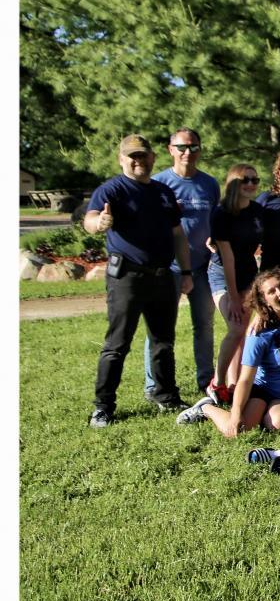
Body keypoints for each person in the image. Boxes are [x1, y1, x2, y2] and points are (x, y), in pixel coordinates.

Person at [85, 134, 192, 426]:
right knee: (117, 344)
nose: (139, 161)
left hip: (162, 276)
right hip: (127, 278)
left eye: (143, 155)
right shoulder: (112, 189)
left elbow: (178, 235)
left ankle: (166, 396)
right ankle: (103, 407)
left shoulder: (163, 192)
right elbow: (90, 218)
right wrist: (99, 223)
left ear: (153, 157)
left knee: (163, 342)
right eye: (132, 156)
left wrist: (185, 272)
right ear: (121, 159)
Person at [176, 269, 280, 435]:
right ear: (265, 301)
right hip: (262, 390)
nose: (279, 292)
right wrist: (236, 414)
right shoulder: (259, 334)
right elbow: (245, 379)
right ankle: (206, 408)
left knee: (277, 424)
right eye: (271, 291)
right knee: (238, 431)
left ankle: (262, 415)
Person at [144, 127, 219, 400]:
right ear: (170, 149)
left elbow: (216, 220)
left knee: (204, 326)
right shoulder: (158, 183)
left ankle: (206, 380)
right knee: (160, 329)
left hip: (203, 267)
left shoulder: (209, 184)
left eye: (194, 147)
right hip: (169, 268)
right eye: (182, 147)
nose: (188, 152)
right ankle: (154, 384)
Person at [207, 164, 265, 403]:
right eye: (245, 180)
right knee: (237, 327)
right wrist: (232, 297)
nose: (250, 184)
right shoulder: (221, 213)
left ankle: (235, 385)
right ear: (233, 183)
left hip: (249, 273)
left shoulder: (257, 210)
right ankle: (217, 382)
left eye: (254, 180)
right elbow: (228, 258)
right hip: (222, 274)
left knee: (243, 331)